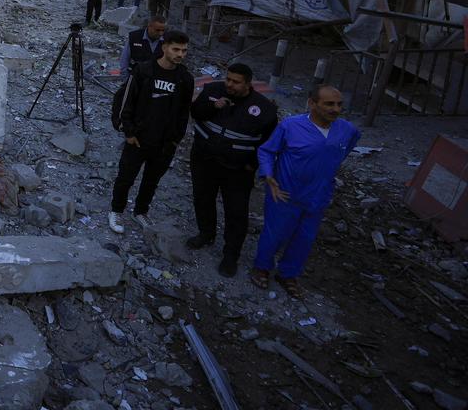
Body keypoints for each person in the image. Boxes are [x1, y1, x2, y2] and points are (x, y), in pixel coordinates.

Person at [251, 85, 360, 297]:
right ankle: (262, 267)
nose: (335, 109)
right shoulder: (291, 126)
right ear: (312, 103)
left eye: (339, 104)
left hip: (318, 196)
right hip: (285, 193)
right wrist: (268, 175)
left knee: (305, 238)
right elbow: (266, 150)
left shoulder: (347, 130)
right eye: (329, 104)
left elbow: (344, 150)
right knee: (274, 234)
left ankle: (288, 274)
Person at [188, 63, 279, 277]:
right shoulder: (213, 91)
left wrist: (252, 166)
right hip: (204, 160)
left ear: (248, 84)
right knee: (202, 199)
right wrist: (214, 106)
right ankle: (206, 233)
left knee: (236, 212)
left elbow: (268, 143)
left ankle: (231, 256)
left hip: (238, 170)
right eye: (228, 79)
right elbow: (195, 112)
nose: (230, 84)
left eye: (235, 82)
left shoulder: (264, 109)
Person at [109, 30, 194, 233]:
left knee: (151, 181)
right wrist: (128, 132)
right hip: (138, 139)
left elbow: (184, 113)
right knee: (126, 177)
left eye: (184, 50)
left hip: (164, 144)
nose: (180, 54)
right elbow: (125, 102)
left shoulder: (185, 79)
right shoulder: (144, 71)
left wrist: (175, 140)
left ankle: (140, 211)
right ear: (164, 48)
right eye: (176, 49)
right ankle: (116, 210)